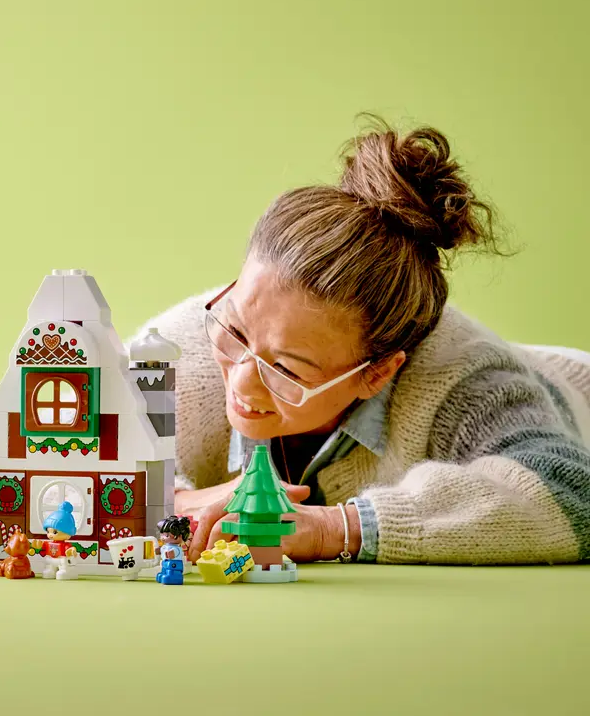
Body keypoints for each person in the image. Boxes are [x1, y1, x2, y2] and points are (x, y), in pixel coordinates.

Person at [144, 118, 590, 565]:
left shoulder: (467, 380)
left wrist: (334, 528)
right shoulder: (179, 344)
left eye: (285, 369)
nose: (242, 381)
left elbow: (572, 491)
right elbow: (102, 448)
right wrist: (177, 502)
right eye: (237, 332)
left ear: (377, 373)